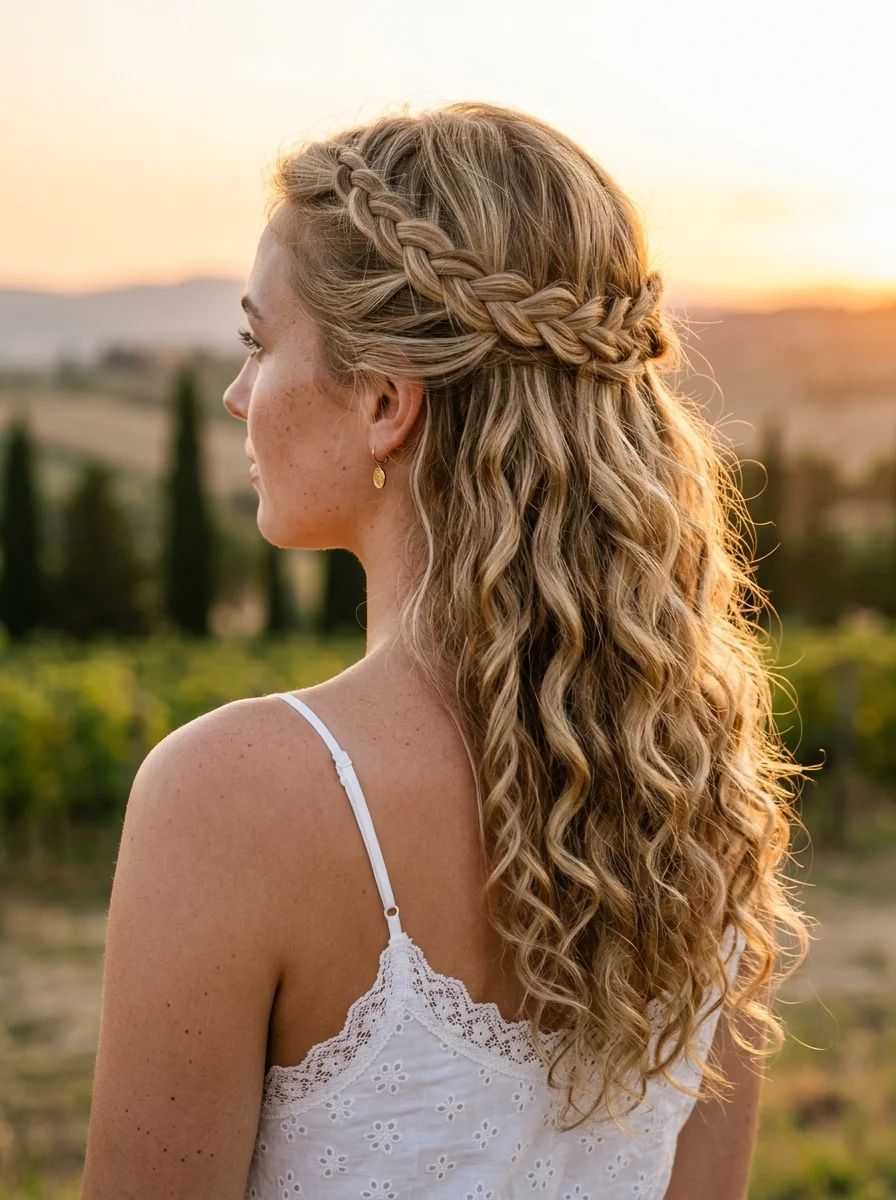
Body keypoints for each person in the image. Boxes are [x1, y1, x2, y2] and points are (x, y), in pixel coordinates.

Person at [81, 102, 811, 1199]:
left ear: (384, 401)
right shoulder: (702, 800)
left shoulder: (232, 796)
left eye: (256, 342)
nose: (237, 395)